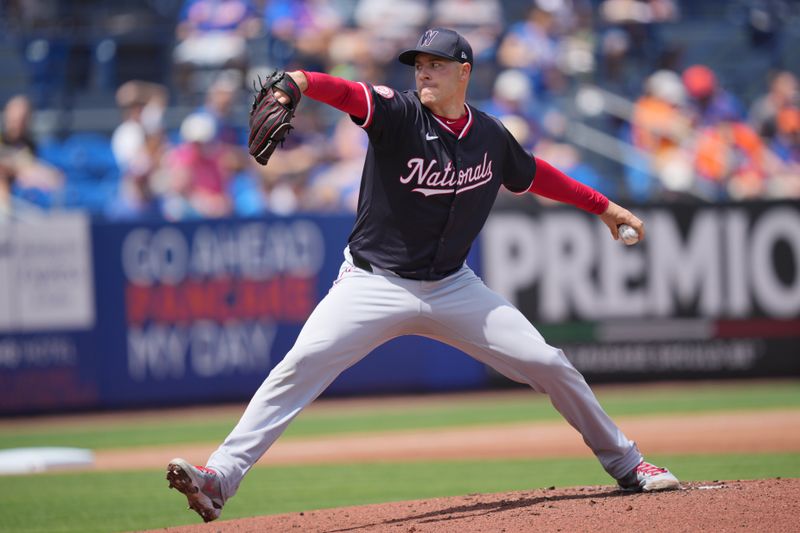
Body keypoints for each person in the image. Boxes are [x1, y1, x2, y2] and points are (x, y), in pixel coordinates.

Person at [166, 28, 680, 523]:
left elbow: (535, 174)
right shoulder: (398, 113)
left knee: (548, 361)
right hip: (373, 283)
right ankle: (219, 479)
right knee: (301, 365)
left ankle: (628, 463)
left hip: (454, 286)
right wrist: (298, 80)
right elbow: (347, 92)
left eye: (436, 65)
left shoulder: (490, 135)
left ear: (465, 72)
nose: (424, 73)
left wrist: (604, 207)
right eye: (419, 65)